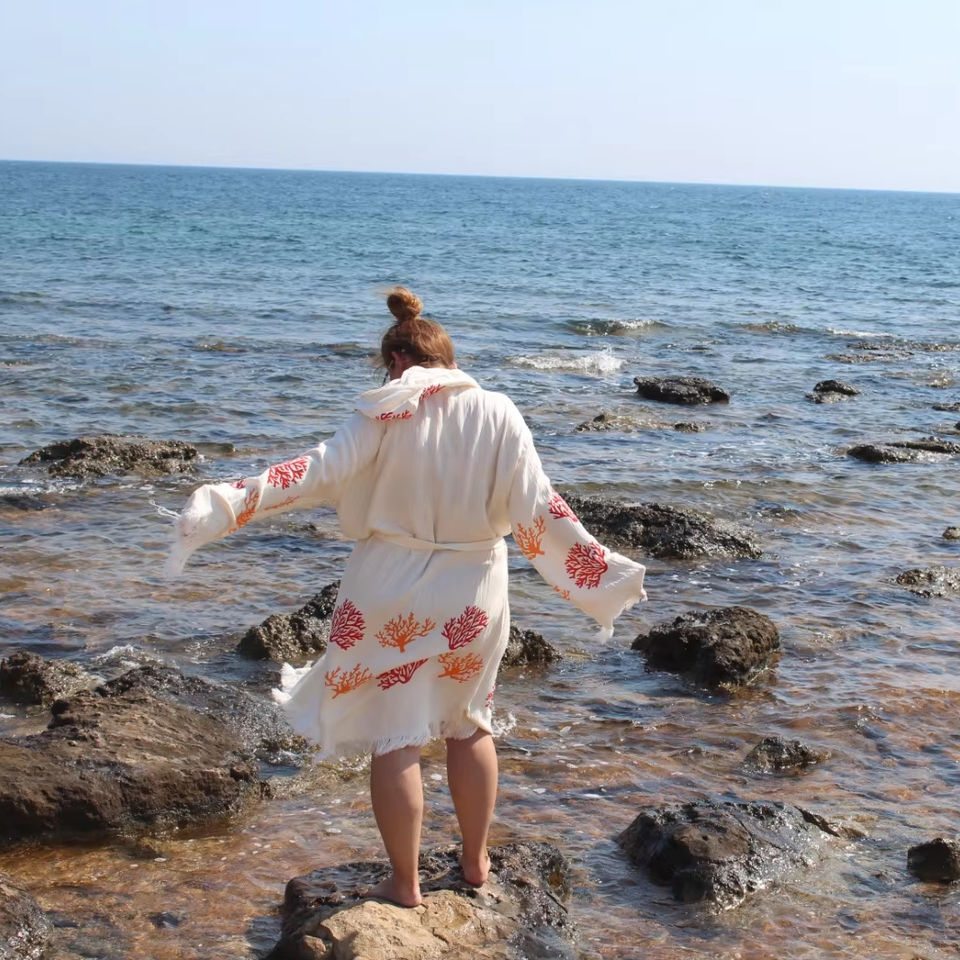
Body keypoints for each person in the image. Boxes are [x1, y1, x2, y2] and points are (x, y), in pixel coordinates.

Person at [167, 287, 647, 907]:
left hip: (388, 586)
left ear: (396, 360)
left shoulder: (382, 411)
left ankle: (405, 883)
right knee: (469, 724)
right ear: (448, 357)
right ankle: (475, 862)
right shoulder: (499, 410)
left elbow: (312, 472)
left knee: (397, 737)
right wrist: (600, 573)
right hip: (474, 588)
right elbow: (538, 509)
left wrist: (226, 503)